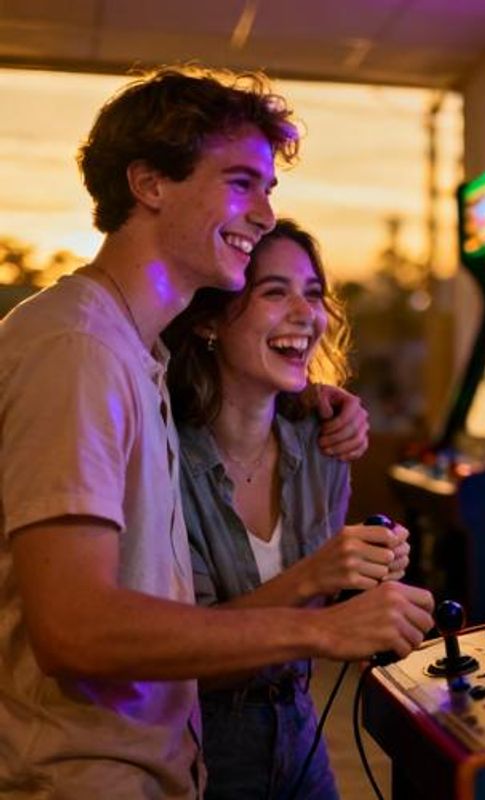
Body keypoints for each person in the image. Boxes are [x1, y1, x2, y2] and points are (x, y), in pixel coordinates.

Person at [0, 66, 434, 799]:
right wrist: (321, 629)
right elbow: (73, 629)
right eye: (241, 183)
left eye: (268, 189)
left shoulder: (134, 353)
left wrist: (310, 395)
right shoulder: (77, 348)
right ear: (150, 184)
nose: (264, 214)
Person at [164, 218, 411, 799]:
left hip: (299, 726)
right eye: (275, 292)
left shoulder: (325, 443)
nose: (307, 314)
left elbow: (321, 613)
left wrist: (362, 572)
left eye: (314, 293)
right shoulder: (164, 458)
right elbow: (183, 663)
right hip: (197, 746)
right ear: (207, 321)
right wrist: (318, 574)